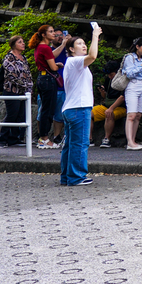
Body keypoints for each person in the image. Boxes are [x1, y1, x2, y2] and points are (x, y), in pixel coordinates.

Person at [59, 24, 102, 186]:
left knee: (70, 145)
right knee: (80, 144)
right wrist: (95, 35)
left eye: (84, 43)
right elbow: (93, 56)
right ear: (70, 49)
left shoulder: (72, 63)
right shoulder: (75, 61)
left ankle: (67, 176)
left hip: (71, 108)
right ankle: (76, 177)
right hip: (79, 108)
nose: (83, 45)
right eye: (79, 44)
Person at [28, 24, 69, 149]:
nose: (54, 34)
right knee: (48, 110)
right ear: (43, 34)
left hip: (42, 77)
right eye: (51, 32)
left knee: (46, 109)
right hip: (48, 80)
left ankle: (43, 138)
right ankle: (44, 139)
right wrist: (58, 66)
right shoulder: (45, 48)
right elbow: (53, 67)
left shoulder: (40, 47)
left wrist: (62, 45)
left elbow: (50, 59)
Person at [0, 35, 32, 148]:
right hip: (11, 90)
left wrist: (29, 87)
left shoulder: (24, 58)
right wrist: (25, 85)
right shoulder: (8, 58)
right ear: (13, 45)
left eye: (23, 42)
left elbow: (28, 74)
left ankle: (14, 138)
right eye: (20, 42)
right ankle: (2, 138)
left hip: (23, 91)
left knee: (20, 115)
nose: (23, 44)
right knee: (12, 114)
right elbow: (12, 75)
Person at [120, 38, 142, 150]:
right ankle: (130, 142)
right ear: (137, 46)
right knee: (131, 114)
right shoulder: (129, 57)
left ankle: (133, 140)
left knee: (138, 115)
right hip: (132, 85)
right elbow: (129, 73)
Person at [91, 61, 126, 147]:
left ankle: (107, 138)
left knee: (109, 114)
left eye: (111, 74)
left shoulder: (123, 80)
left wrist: (111, 108)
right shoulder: (108, 80)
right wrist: (102, 91)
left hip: (120, 107)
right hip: (107, 105)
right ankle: (89, 139)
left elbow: (122, 97)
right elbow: (105, 96)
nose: (110, 76)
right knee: (89, 113)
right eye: (108, 75)